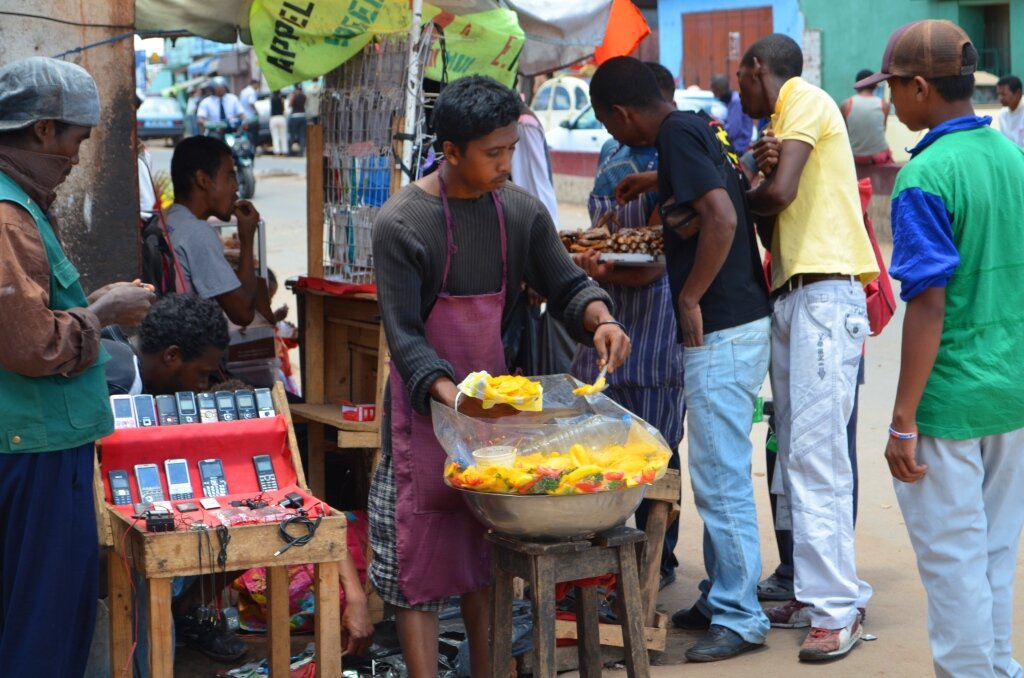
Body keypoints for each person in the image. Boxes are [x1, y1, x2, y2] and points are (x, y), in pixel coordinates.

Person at [369, 74, 628, 678]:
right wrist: (453, 396)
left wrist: (601, 319)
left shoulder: (519, 211)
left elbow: (566, 285)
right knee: (420, 568)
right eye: (494, 152)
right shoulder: (402, 224)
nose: (507, 164)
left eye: (511, 148)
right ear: (451, 151)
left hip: (498, 423)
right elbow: (404, 335)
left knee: (484, 563)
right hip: (423, 418)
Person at [592, 56, 772, 663]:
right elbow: (722, 194)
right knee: (714, 473)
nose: (618, 139)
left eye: (612, 128)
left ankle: (742, 616)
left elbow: (722, 217)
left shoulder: (673, 134)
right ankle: (725, 595)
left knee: (721, 479)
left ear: (620, 114)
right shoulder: (695, 127)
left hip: (722, 326)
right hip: (740, 321)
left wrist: (689, 296)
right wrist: (656, 184)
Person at [860, 20, 1024, 676]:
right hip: (1011, 390)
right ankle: (999, 666)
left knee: (954, 562)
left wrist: (904, 420)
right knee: (993, 552)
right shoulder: (1012, 157)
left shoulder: (926, 174)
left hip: (951, 399)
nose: (890, 102)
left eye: (894, 88)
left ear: (921, 87)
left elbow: (927, 302)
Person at [0, 56, 154, 676]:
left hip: (35, 440)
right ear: (43, 130)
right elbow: (31, 345)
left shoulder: (23, 205)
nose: (75, 160)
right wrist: (105, 310)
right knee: (43, 620)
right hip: (32, 447)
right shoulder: (8, 217)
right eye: (75, 141)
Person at [740, 33, 879, 662]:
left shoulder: (800, 99)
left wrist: (748, 184)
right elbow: (771, 214)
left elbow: (778, 198)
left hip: (824, 296)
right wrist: (756, 171)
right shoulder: (778, 123)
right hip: (797, 293)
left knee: (815, 456)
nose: (738, 91)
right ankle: (813, 587)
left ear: (756, 69)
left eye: (740, 78)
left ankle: (835, 609)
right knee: (795, 452)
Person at [571, 61, 685, 591]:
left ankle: (655, 559)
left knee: (657, 451)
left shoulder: (678, 158)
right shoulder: (612, 157)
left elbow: (657, 259)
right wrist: (590, 256)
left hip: (656, 322)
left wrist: (607, 265)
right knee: (600, 442)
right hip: (605, 314)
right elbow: (601, 229)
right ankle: (606, 557)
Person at [166, 135, 260, 327]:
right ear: (203, 180)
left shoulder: (169, 217)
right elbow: (243, 313)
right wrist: (247, 238)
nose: (235, 187)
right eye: (229, 176)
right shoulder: (197, 233)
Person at [841, 69, 893, 164]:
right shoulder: (883, 105)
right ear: (875, 85)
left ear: (857, 86)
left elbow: (846, 132)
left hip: (855, 157)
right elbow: (883, 129)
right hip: (880, 157)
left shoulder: (846, 104)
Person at [710, 73, 755, 153]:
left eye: (714, 91)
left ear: (720, 89)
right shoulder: (731, 102)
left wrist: (719, 130)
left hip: (739, 148)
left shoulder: (736, 101)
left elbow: (733, 130)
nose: (714, 95)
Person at [997, 74, 1023, 148]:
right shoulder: (1002, 114)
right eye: (998, 94)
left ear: (1018, 93)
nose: (1000, 98)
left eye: (1004, 94)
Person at [287, 84, 307, 156]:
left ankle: (289, 152)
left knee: (292, 135)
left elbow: (289, 105)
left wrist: (292, 97)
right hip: (303, 115)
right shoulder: (304, 96)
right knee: (302, 135)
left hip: (295, 116)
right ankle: (301, 152)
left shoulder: (293, 95)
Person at [269, 90, 288, 156]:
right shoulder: (281, 99)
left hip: (273, 118)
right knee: (283, 136)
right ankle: (284, 151)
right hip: (281, 117)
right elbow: (283, 109)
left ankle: (277, 151)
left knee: (275, 136)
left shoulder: (271, 99)